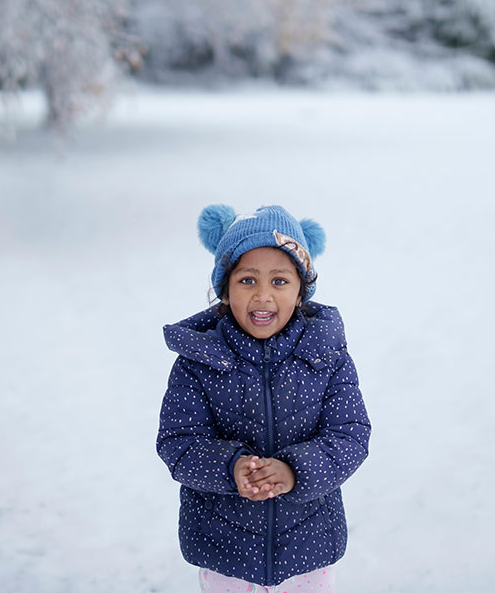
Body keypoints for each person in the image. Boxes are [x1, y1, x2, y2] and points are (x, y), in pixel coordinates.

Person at [157, 205, 371, 593]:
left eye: (279, 281)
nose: (263, 296)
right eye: (247, 280)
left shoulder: (325, 354)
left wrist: (296, 471)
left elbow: (350, 434)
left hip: (308, 549)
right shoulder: (199, 360)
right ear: (224, 288)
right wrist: (230, 467)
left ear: (301, 289)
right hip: (226, 549)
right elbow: (179, 443)